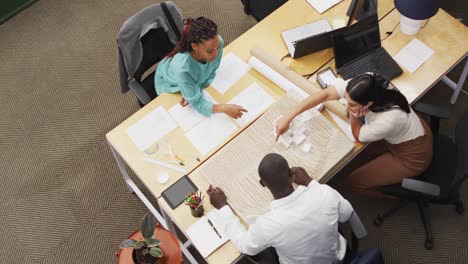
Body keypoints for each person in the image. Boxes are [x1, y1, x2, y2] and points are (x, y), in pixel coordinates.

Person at [276, 73, 433, 198]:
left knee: (354, 181)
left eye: (351, 104)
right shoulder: (367, 81)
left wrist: (353, 114)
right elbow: (324, 95)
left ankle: (393, 197)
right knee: (362, 153)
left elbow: (358, 135)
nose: (345, 105)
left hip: (413, 155)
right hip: (405, 134)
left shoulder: (388, 120)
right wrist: (289, 117)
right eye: (346, 99)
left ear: (369, 104)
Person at [207, 153, 354, 264]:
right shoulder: (323, 193)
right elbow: (346, 214)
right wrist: (310, 182)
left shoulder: (267, 225)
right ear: (291, 174)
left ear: (262, 184)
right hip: (339, 256)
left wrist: (223, 208)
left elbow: (245, 246)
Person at [154, 16, 247, 119]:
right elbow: (197, 102)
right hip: (170, 84)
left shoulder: (218, 43)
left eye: (217, 48)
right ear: (194, 46)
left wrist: (194, 90)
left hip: (191, 80)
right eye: (210, 51)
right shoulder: (182, 69)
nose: (216, 53)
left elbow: (212, 69)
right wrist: (223, 108)